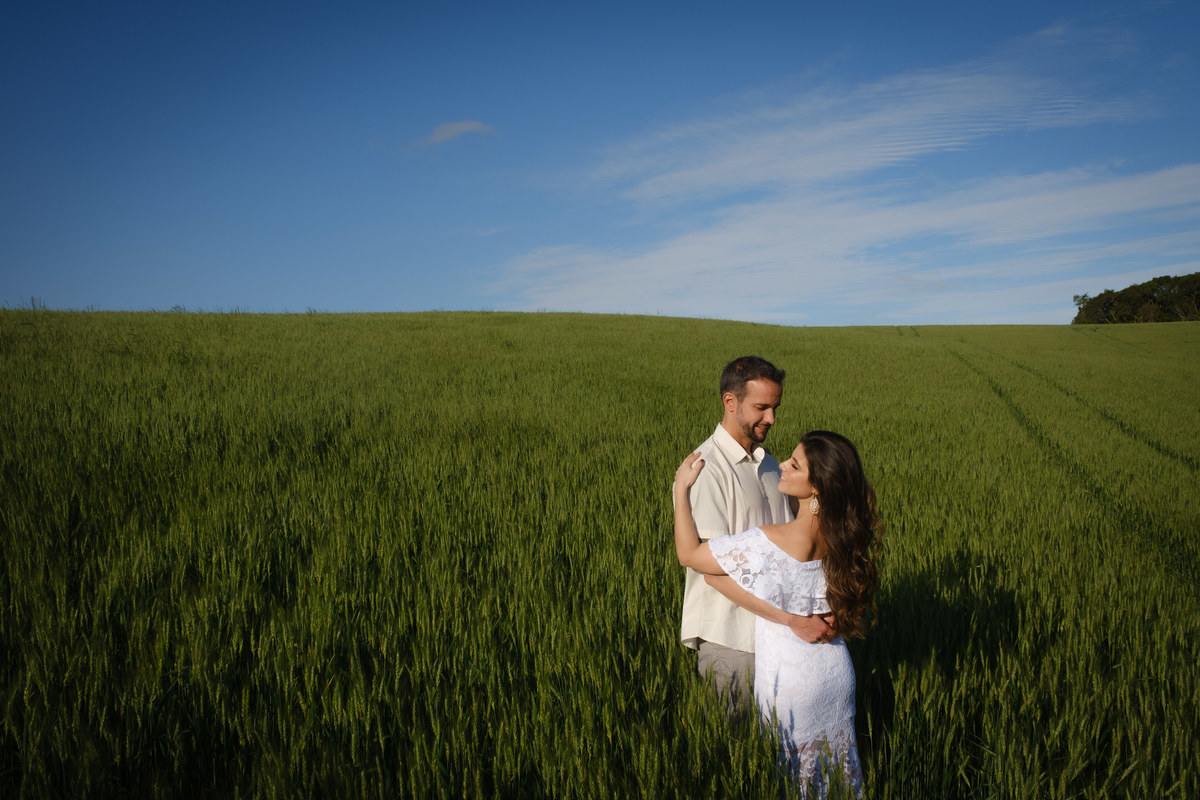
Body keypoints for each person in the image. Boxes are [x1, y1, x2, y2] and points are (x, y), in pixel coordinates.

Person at [673, 430, 882, 796]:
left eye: (795, 465)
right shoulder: (841, 537)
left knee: (791, 779)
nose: (782, 464)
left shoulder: (771, 539)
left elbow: (689, 556)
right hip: (835, 669)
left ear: (816, 488)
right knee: (836, 773)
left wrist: (680, 490)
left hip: (789, 678)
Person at [676, 356, 834, 716]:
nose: (772, 418)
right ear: (730, 402)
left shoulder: (771, 464)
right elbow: (711, 571)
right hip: (733, 641)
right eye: (761, 408)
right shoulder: (706, 469)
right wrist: (792, 619)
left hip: (783, 642)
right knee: (732, 742)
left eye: (775, 407)